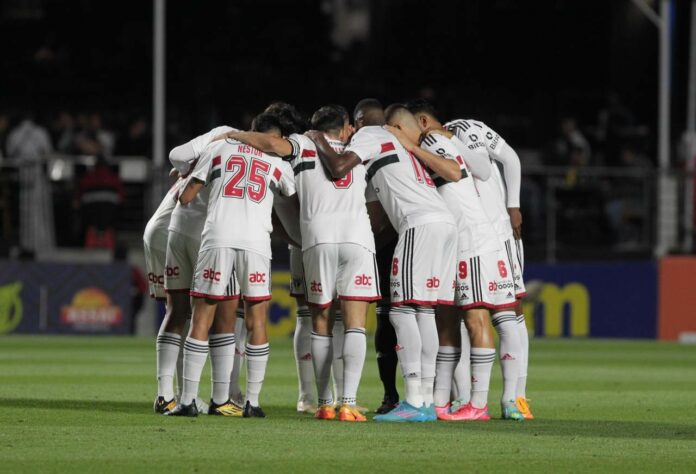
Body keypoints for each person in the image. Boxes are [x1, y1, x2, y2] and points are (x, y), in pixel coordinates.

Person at [308, 99, 457, 422]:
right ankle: (427, 400)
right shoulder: (394, 145)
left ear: (359, 122)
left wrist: (318, 138)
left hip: (419, 223)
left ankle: (415, 402)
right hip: (444, 223)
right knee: (424, 310)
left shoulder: (368, 136)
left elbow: (339, 167)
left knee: (402, 310)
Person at [227, 104, 378, 422]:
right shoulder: (359, 145)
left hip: (316, 241)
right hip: (357, 240)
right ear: (346, 126)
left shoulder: (303, 143)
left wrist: (233, 135)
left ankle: (322, 403)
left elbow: (269, 144)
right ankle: (348, 402)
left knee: (318, 321)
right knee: (353, 323)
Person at [388, 103, 519, 421]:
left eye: (396, 131)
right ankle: (441, 402)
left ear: (415, 124)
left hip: (472, 239)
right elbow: (481, 171)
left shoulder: (430, 142)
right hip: (456, 240)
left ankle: (478, 404)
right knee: (446, 322)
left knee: (477, 319)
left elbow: (454, 171)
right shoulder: (439, 141)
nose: (395, 138)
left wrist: (409, 145)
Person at [166, 113, 296, 418]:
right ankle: (252, 401)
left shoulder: (219, 148)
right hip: (256, 242)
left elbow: (186, 198)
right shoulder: (279, 162)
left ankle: (186, 401)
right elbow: (290, 195)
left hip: (218, 237)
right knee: (257, 320)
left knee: (202, 317)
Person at [444, 113, 529, 420]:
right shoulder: (430, 141)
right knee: (466, 315)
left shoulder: (466, 128)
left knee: (510, 312)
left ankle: (516, 397)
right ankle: (465, 397)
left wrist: (513, 204)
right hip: (467, 239)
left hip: (501, 232)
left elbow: (511, 158)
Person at [159, 123, 243, 416]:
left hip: (176, 230)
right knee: (223, 316)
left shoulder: (213, 141)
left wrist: (192, 161)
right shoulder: (238, 142)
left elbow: (177, 156)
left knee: (176, 311)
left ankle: (165, 395)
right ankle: (221, 399)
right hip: (210, 237)